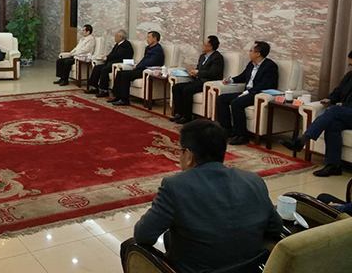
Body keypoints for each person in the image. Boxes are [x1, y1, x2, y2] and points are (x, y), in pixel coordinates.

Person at [120, 120, 283, 273]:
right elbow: (276, 228)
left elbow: (143, 236)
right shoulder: (254, 180)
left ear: (189, 155)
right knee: (171, 236)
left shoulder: (175, 186)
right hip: (249, 268)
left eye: (180, 151)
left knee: (129, 246)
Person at [280, 50, 352, 177]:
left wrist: (343, 106)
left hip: (347, 111)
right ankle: (333, 165)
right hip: (346, 113)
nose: (350, 66)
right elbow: (338, 91)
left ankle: (302, 140)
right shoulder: (349, 76)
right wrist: (329, 99)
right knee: (333, 125)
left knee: (333, 110)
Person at [216, 41, 278, 145]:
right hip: (247, 92)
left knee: (236, 103)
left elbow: (265, 85)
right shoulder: (251, 64)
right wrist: (230, 80)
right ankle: (227, 129)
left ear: (258, 53)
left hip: (258, 94)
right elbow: (243, 76)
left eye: (251, 51)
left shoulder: (270, 66)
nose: (249, 53)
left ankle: (242, 136)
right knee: (221, 98)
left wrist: (247, 92)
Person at [170, 36, 224, 124]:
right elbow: (199, 68)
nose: (202, 46)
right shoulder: (202, 56)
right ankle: (179, 113)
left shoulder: (217, 57)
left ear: (210, 47)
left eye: (204, 45)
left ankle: (187, 117)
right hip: (198, 80)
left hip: (207, 82)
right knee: (176, 87)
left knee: (187, 90)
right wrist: (193, 72)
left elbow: (213, 73)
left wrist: (198, 72)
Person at [108, 31, 164, 106]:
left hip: (147, 70)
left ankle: (124, 100)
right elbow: (144, 60)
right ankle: (117, 96)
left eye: (149, 37)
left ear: (155, 38)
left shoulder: (157, 49)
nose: (147, 39)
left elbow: (150, 62)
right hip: (141, 68)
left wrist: (138, 66)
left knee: (125, 76)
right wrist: (137, 65)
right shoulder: (148, 48)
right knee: (120, 73)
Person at [84, 30, 134, 98]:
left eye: (116, 36)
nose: (114, 37)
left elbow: (118, 55)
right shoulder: (118, 44)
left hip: (118, 63)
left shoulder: (126, 45)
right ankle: (94, 87)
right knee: (97, 67)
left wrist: (107, 58)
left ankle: (104, 90)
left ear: (121, 37)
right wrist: (106, 57)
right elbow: (112, 54)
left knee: (104, 70)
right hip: (111, 62)